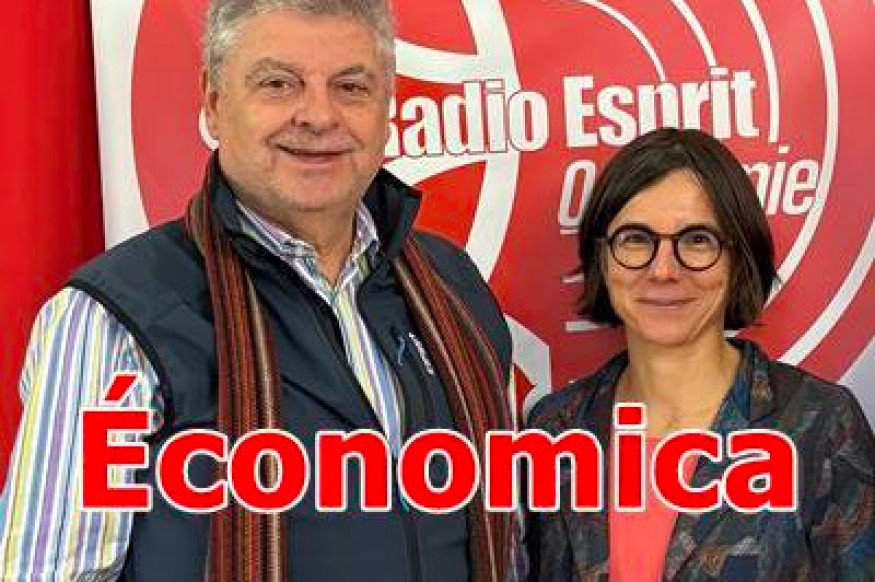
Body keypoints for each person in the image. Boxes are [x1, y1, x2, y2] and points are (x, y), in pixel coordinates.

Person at [0, 1, 517, 580]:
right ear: (214, 103)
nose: (318, 115)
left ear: (387, 107)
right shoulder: (114, 320)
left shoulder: (452, 288)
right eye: (278, 83)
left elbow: (506, 537)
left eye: (350, 87)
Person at [525, 128, 875, 581]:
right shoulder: (555, 430)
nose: (663, 270)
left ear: (738, 257)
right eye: (635, 239)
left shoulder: (819, 426)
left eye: (696, 240)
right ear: (603, 258)